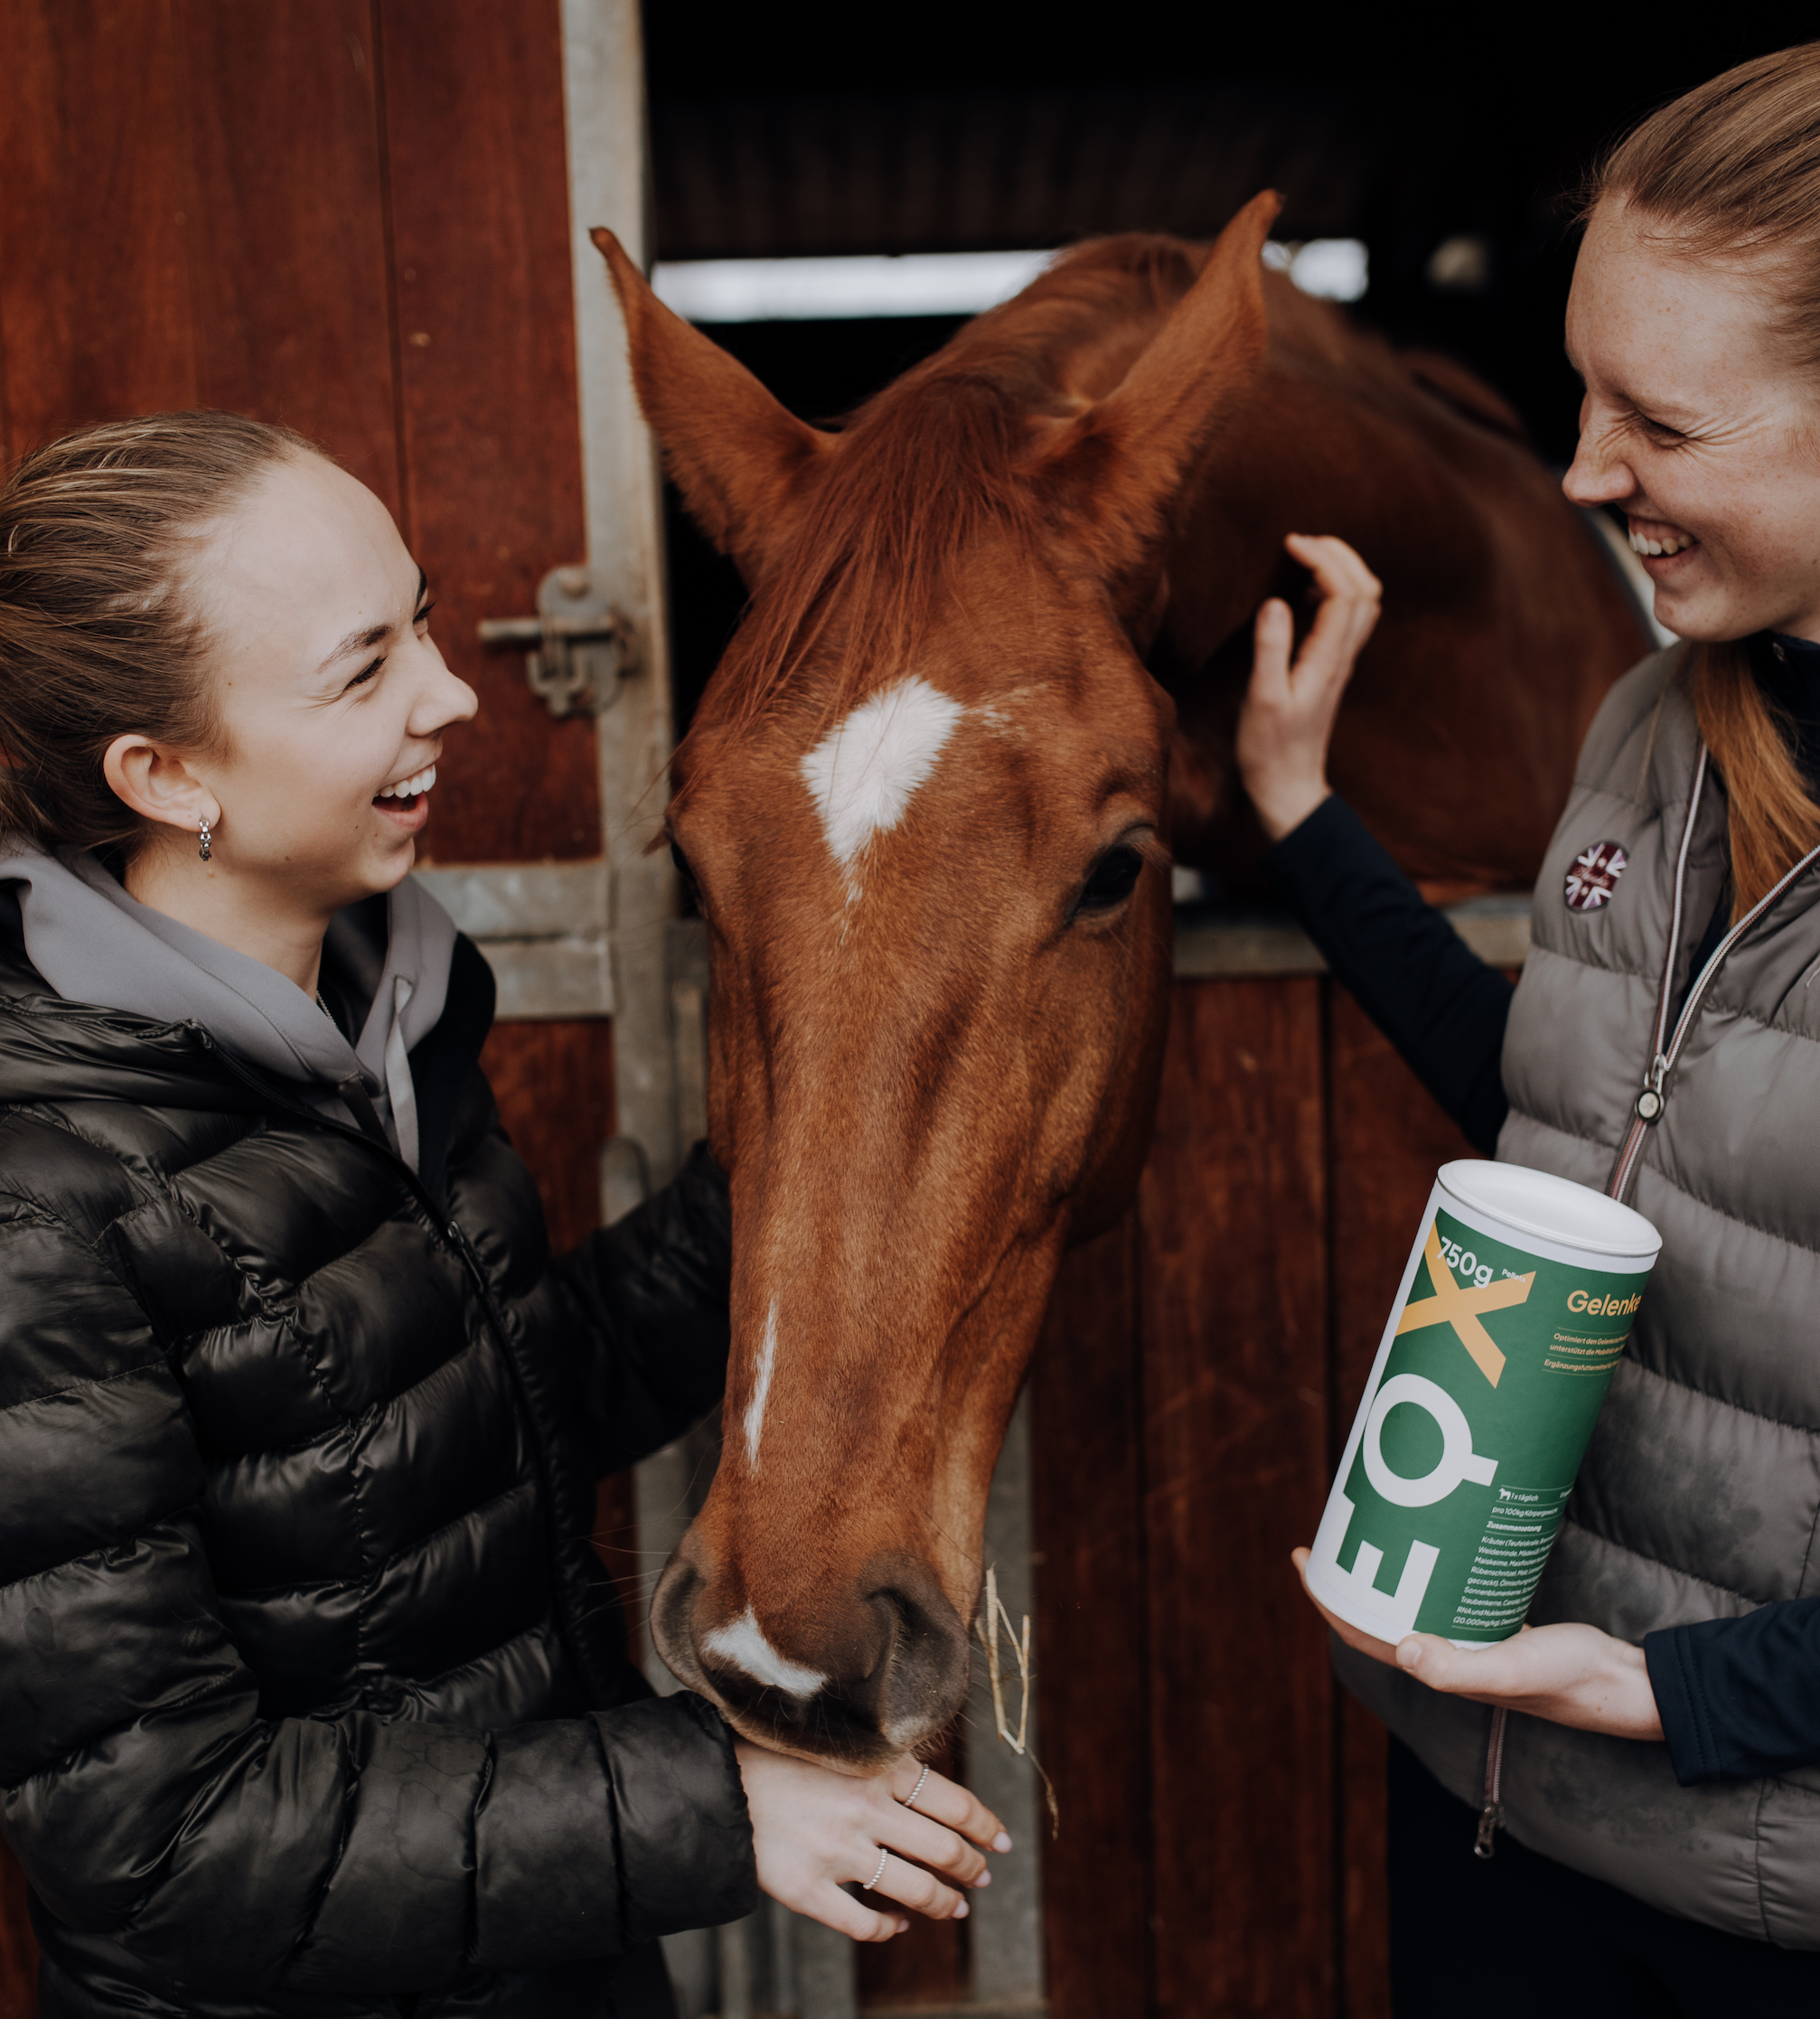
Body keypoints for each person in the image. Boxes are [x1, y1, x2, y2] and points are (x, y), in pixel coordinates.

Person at [0, 414, 1004, 2019]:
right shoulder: (40, 1204)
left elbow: (494, 1410)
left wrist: (825, 1157)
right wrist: (711, 1801)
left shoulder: (371, 1009)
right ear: (166, 776)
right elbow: (159, 1849)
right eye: (362, 669)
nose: (450, 691)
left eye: (421, 618)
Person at [1234, 44, 1820, 2017]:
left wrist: (1673, 1688)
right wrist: (1305, 821)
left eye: (1657, 419)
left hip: (1757, 1891)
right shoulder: (1654, 720)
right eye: (1580, 393)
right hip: (1493, 1789)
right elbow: (1565, 1103)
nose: (1579, 472)